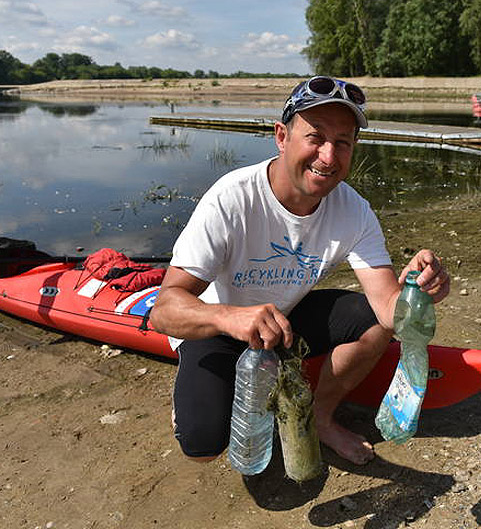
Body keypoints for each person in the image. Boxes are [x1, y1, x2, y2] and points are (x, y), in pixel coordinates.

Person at [150, 76, 450, 466]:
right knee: (203, 446)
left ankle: (320, 418)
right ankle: (191, 400)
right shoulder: (232, 199)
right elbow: (164, 309)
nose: (328, 155)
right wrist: (230, 318)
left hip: (287, 319)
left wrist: (416, 291)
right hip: (218, 327)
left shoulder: (354, 210)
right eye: (315, 137)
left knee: (374, 323)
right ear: (281, 136)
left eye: (342, 142)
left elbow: (388, 310)